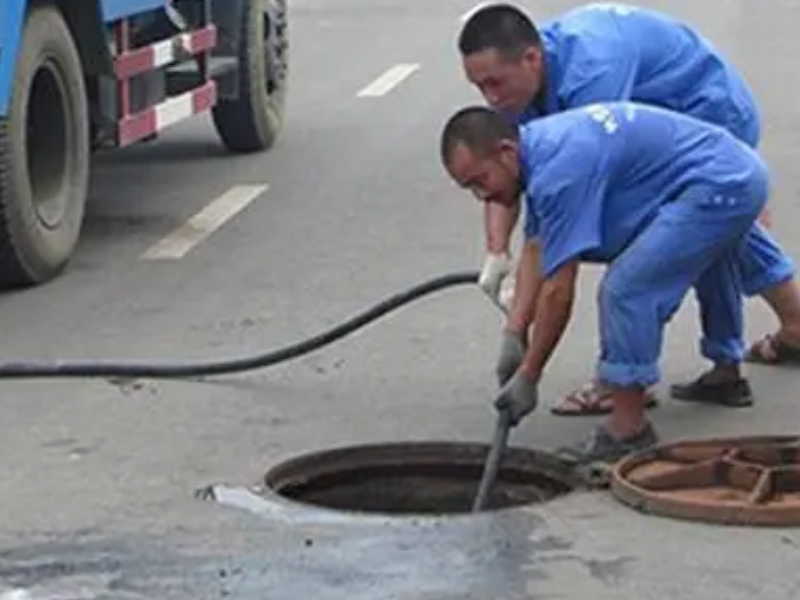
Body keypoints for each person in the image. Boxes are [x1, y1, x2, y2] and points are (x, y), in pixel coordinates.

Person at [460, 3, 800, 415]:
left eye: (495, 84)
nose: (491, 99)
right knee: (715, 230)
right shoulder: (523, 71)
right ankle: (758, 344)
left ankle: (623, 381)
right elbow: (510, 172)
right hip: (669, 138)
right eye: (480, 88)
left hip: (707, 110)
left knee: (679, 246)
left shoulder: (592, 73)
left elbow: (563, 197)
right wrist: (497, 252)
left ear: (532, 59)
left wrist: (531, 364)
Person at [441, 102, 770, 462]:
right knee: (706, 257)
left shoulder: (559, 170)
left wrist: (530, 374)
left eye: (480, 181)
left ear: (505, 152)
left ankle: (629, 429)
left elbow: (557, 289)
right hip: (726, 169)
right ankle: (726, 376)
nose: (481, 196)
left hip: (724, 183)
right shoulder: (539, 151)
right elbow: (537, 248)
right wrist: (514, 332)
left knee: (628, 289)